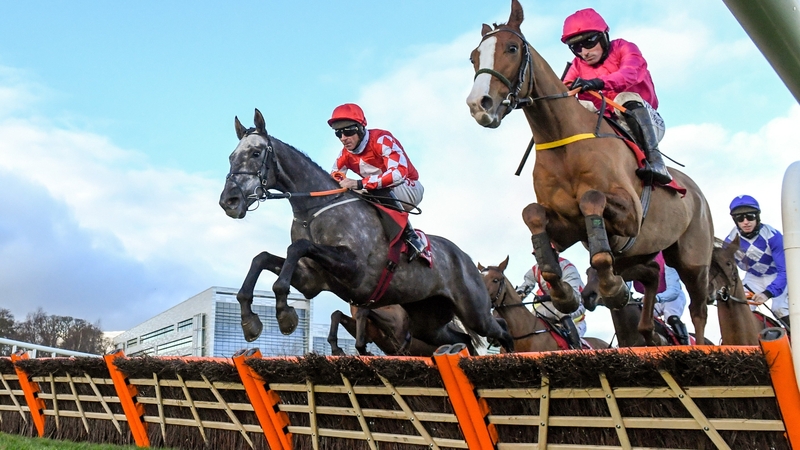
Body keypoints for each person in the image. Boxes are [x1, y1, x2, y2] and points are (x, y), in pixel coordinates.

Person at [561, 8, 671, 185]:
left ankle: (656, 162)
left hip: (645, 119)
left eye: (588, 43)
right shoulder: (576, 65)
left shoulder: (625, 48)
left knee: (624, 98)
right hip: (608, 125)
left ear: (604, 37)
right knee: (580, 106)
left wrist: (599, 82)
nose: (584, 52)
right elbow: (563, 93)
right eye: (576, 47)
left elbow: (630, 73)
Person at [328, 103, 425, 261]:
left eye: (348, 131)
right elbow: (334, 175)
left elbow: (398, 173)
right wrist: (344, 182)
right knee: (349, 192)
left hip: (409, 188)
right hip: (382, 192)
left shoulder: (381, 139)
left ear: (360, 128)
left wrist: (358, 184)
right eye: (338, 133)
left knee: (370, 188)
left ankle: (412, 238)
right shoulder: (345, 154)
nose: (343, 138)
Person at [725, 195, 789, 330]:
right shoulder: (730, 241)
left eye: (750, 216)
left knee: (780, 309)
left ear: (757, 216)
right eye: (740, 218)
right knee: (739, 307)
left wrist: (767, 293)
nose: (746, 222)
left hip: (779, 276)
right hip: (754, 277)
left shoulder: (773, 236)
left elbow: (785, 271)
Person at [516, 250, 587, 349]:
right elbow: (527, 285)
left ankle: (576, 347)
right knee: (532, 318)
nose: (540, 257)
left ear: (555, 254)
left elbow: (570, 296)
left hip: (574, 304)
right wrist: (517, 295)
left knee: (562, 312)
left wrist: (545, 297)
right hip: (553, 304)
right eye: (537, 255)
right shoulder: (536, 269)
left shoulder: (567, 268)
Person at [633, 253, 690, 345]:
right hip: (651, 298)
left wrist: (655, 298)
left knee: (671, 317)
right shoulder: (635, 260)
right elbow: (625, 286)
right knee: (634, 316)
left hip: (672, 297)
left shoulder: (667, 259)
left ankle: (685, 346)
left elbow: (673, 291)